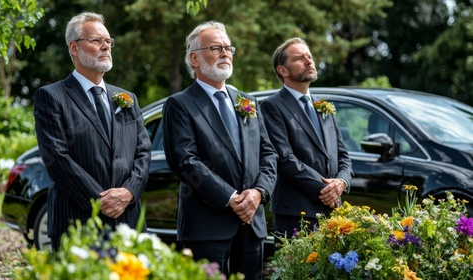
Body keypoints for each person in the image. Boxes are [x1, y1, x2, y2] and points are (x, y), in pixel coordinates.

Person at [162, 21, 277, 279]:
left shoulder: (246, 101)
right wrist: (231, 198)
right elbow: (185, 161)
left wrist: (258, 193)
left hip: (251, 224)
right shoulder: (179, 104)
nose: (225, 53)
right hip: (206, 225)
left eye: (228, 47)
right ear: (194, 58)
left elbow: (268, 154)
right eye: (216, 48)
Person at [33, 12, 151, 251]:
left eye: (108, 41)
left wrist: (128, 192)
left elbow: (143, 152)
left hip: (128, 222)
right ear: (74, 48)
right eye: (97, 40)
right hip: (77, 221)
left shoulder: (127, 98)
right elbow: (57, 157)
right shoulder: (51, 97)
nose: (106, 46)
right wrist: (100, 200)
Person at [260, 37, 353, 243]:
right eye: (299, 58)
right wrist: (326, 190)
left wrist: (342, 182)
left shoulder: (322, 105)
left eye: (309, 56)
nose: (309, 61)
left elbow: (343, 156)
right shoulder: (272, 106)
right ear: (283, 70)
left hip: (332, 212)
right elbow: (284, 159)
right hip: (296, 212)